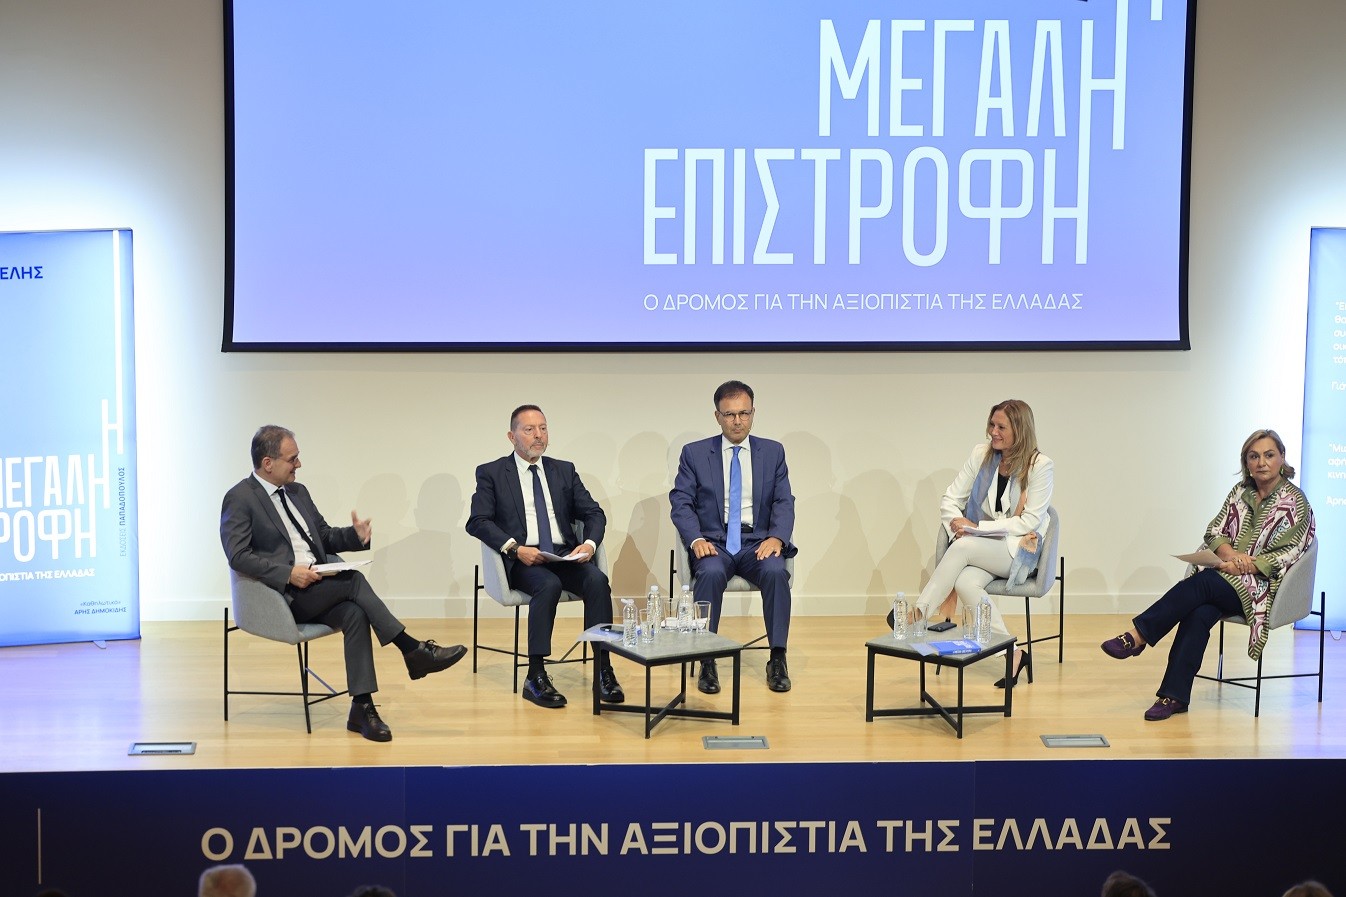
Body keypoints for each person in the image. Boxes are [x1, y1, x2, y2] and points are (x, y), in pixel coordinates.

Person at [220, 425, 466, 742]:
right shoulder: (240, 498)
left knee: (355, 612)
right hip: (282, 596)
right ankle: (412, 650)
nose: (298, 464)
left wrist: (355, 536)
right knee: (354, 581)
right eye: (292, 459)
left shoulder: (297, 492)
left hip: (317, 586)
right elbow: (238, 555)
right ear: (268, 463)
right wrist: (288, 573)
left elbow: (323, 536)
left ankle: (361, 707)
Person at [1102, 428, 1315, 721]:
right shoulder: (1240, 492)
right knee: (1199, 611)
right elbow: (1214, 531)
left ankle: (1138, 636)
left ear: (1282, 457)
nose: (1261, 462)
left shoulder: (1296, 502)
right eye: (1254, 456)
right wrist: (1230, 556)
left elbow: (1290, 552)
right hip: (1225, 578)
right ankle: (1174, 696)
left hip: (1263, 588)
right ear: (1246, 462)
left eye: (1269, 455)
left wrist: (1245, 566)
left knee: (1202, 584)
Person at [466, 404, 623, 709]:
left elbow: (593, 512)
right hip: (523, 559)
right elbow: (478, 521)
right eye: (529, 430)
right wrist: (515, 548)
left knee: (597, 580)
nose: (538, 435)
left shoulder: (563, 470)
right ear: (512, 436)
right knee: (547, 585)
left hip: (562, 555)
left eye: (543, 428)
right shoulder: (492, 473)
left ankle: (603, 669)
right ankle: (535, 675)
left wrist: (589, 544)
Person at [900, 399, 1053, 688]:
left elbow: (1029, 521)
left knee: (962, 548)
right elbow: (950, 499)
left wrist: (976, 529)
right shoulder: (981, 454)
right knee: (965, 583)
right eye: (992, 425)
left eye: (1001, 427)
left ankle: (918, 615)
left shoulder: (1040, 466)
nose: (993, 432)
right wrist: (960, 528)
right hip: (982, 548)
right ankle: (1013, 654)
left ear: (1020, 430)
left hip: (1017, 551)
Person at [670, 380, 798, 694]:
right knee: (711, 573)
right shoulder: (695, 453)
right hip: (714, 543)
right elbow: (681, 501)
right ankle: (706, 657)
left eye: (744, 413)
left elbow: (784, 501)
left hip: (757, 543)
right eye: (729, 414)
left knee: (775, 571)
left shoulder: (773, 452)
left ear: (753, 413)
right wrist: (695, 539)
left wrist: (777, 538)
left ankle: (777, 657)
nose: (737, 421)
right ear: (717, 416)